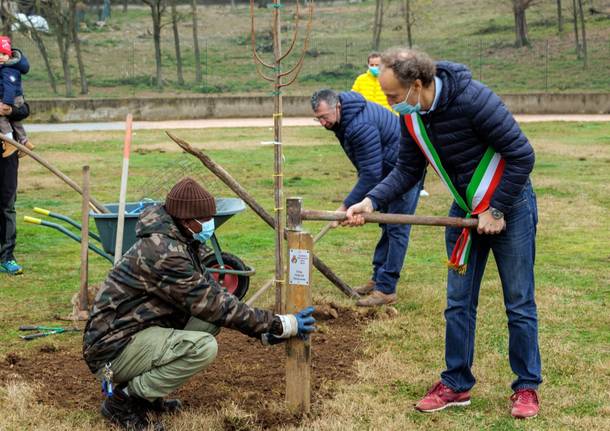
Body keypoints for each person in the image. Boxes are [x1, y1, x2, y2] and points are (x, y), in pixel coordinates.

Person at [344, 48, 541, 419]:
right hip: (465, 211)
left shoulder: (473, 98)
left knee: (518, 301)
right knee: (458, 302)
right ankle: (456, 383)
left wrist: (496, 209)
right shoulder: (412, 116)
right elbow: (406, 169)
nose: (389, 103)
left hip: (508, 207)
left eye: (391, 96)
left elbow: (522, 154)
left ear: (416, 85)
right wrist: (371, 201)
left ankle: (527, 386)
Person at [83, 178, 316, 430]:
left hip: (132, 332)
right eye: (205, 219)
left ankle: (147, 396)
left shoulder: (178, 238)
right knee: (203, 347)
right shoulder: (165, 253)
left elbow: (213, 294)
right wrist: (278, 324)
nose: (209, 224)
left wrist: (263, 331)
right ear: (186, 221)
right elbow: (214, 304)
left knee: (206, 322)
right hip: (110, 350)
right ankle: (124, 401)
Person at [311, 89, 423, 307]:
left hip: (406, 173)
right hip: (387, 175)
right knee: (386, 226)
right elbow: (369, 168)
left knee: (397, 228)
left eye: (325, 117)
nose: (323, 123)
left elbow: (370, 173)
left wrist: (344, 207)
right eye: (318, 119)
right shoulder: (342, 121)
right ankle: (378, 279)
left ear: (338, 107)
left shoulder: (359, 125)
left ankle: (386, 289)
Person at [352, 52, 430, 198]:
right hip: (371, 124)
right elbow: (354, 97)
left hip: (391, 120)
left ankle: (419, 186)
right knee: (373, 157)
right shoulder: (361, 80)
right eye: (372, 65)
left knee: (411, 154)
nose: (374, 67)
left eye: (377, 65)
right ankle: (375, 188)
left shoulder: (391, 81)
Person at [0, 36, 31, 275]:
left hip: (6, 154)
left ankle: (7, 256)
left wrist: (11, 109)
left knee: (7, 205)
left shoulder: (9, 75)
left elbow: (24, 109)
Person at [0, 35, 33, 159]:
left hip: (11, 100)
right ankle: (24, 141)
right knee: (15, 122)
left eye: (3, 54)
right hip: (12, 99)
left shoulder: (7, 70)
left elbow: (9, 88)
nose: (0, 57)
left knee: (2, 117)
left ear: (9, 55)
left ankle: (10, 142)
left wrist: (7, 104)